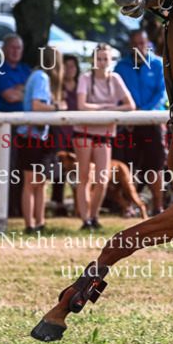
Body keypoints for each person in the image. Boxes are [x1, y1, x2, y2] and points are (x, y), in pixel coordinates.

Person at [75, 44, 135, 230]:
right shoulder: (85, 78)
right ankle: (85, 219)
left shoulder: (115, 78)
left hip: (105, 133)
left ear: (110, 60)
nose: (101, 63)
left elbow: (129, 105)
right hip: (84, 132)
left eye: (105, 59)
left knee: (102, 178)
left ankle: (94, 216)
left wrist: (106, 109)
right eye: (98, 59)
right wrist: (106, 108)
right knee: (84, 177)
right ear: (93, 60)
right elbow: (81, 105)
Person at [113, 29, 168, 215]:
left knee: (156, 166)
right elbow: (117, 93)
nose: (138, 46)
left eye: (142, 43)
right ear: (130, 45)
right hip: (129, 123)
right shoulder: (121, 67)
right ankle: (130, 206)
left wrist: (145, 111)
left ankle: (158, 207)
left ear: (148, 44)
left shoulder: (159, 65)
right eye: (135, 43)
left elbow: (163, 93)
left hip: (153, 121)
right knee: (129, 167)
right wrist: (132, 112)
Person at [18, 45, 65, 233]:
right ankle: (30, 225)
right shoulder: (41, 77)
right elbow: (36, 106)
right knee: (31, 183)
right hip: (31, 136)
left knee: (40, 182)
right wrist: (57, 108)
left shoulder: (38, 76)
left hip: (39, 136)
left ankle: (40, 223)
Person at [0, 34, 32, 217]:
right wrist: (25, 91)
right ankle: (7, 207)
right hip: (6, 125)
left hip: (27, 124)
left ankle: (22, 206)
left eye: (19, 48)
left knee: (26, 166)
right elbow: (10, 96)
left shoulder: (26, 69)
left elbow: (32, 93)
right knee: (9, 166)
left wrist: (20, 90)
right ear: (5, 49)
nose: (16, 52)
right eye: (12, 48)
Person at [50, 54, 81, 217]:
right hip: (61, 132)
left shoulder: (81, 86)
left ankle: (79, 203)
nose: (70, 70)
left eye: (73, 66)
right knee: (60, 169)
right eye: (67, 66)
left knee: (79, 169)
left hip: (78, 133)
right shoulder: (58, 87)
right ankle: (59, 203)